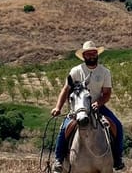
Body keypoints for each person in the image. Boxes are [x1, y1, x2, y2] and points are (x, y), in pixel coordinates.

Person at [51, 41, 125, 172]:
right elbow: (66, 90)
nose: (91, 56)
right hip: (78, 108)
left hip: (98, 106)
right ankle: (58, 159)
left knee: (118, 126)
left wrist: (98, 103)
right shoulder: (75, 71)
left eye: (94, 53)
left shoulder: (104, 72)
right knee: (64, 128)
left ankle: (117, 158)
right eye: (88, 54)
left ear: (97, 54)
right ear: (84, 56)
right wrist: (58, 107)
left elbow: (107, 93)